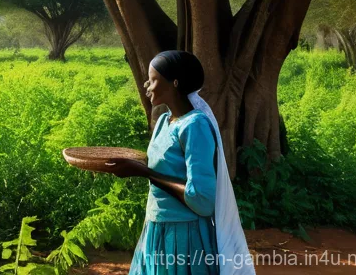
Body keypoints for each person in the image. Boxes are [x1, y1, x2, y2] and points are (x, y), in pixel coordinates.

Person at [105, 50, 255, 275]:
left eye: (153, 80)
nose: (147, 85)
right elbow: (164, 164)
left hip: (184, 235)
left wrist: (144, 172)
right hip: (156, 227)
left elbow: (202, 199)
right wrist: (131, 165)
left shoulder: (195, 126)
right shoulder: (165, 121)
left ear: (174, 83)